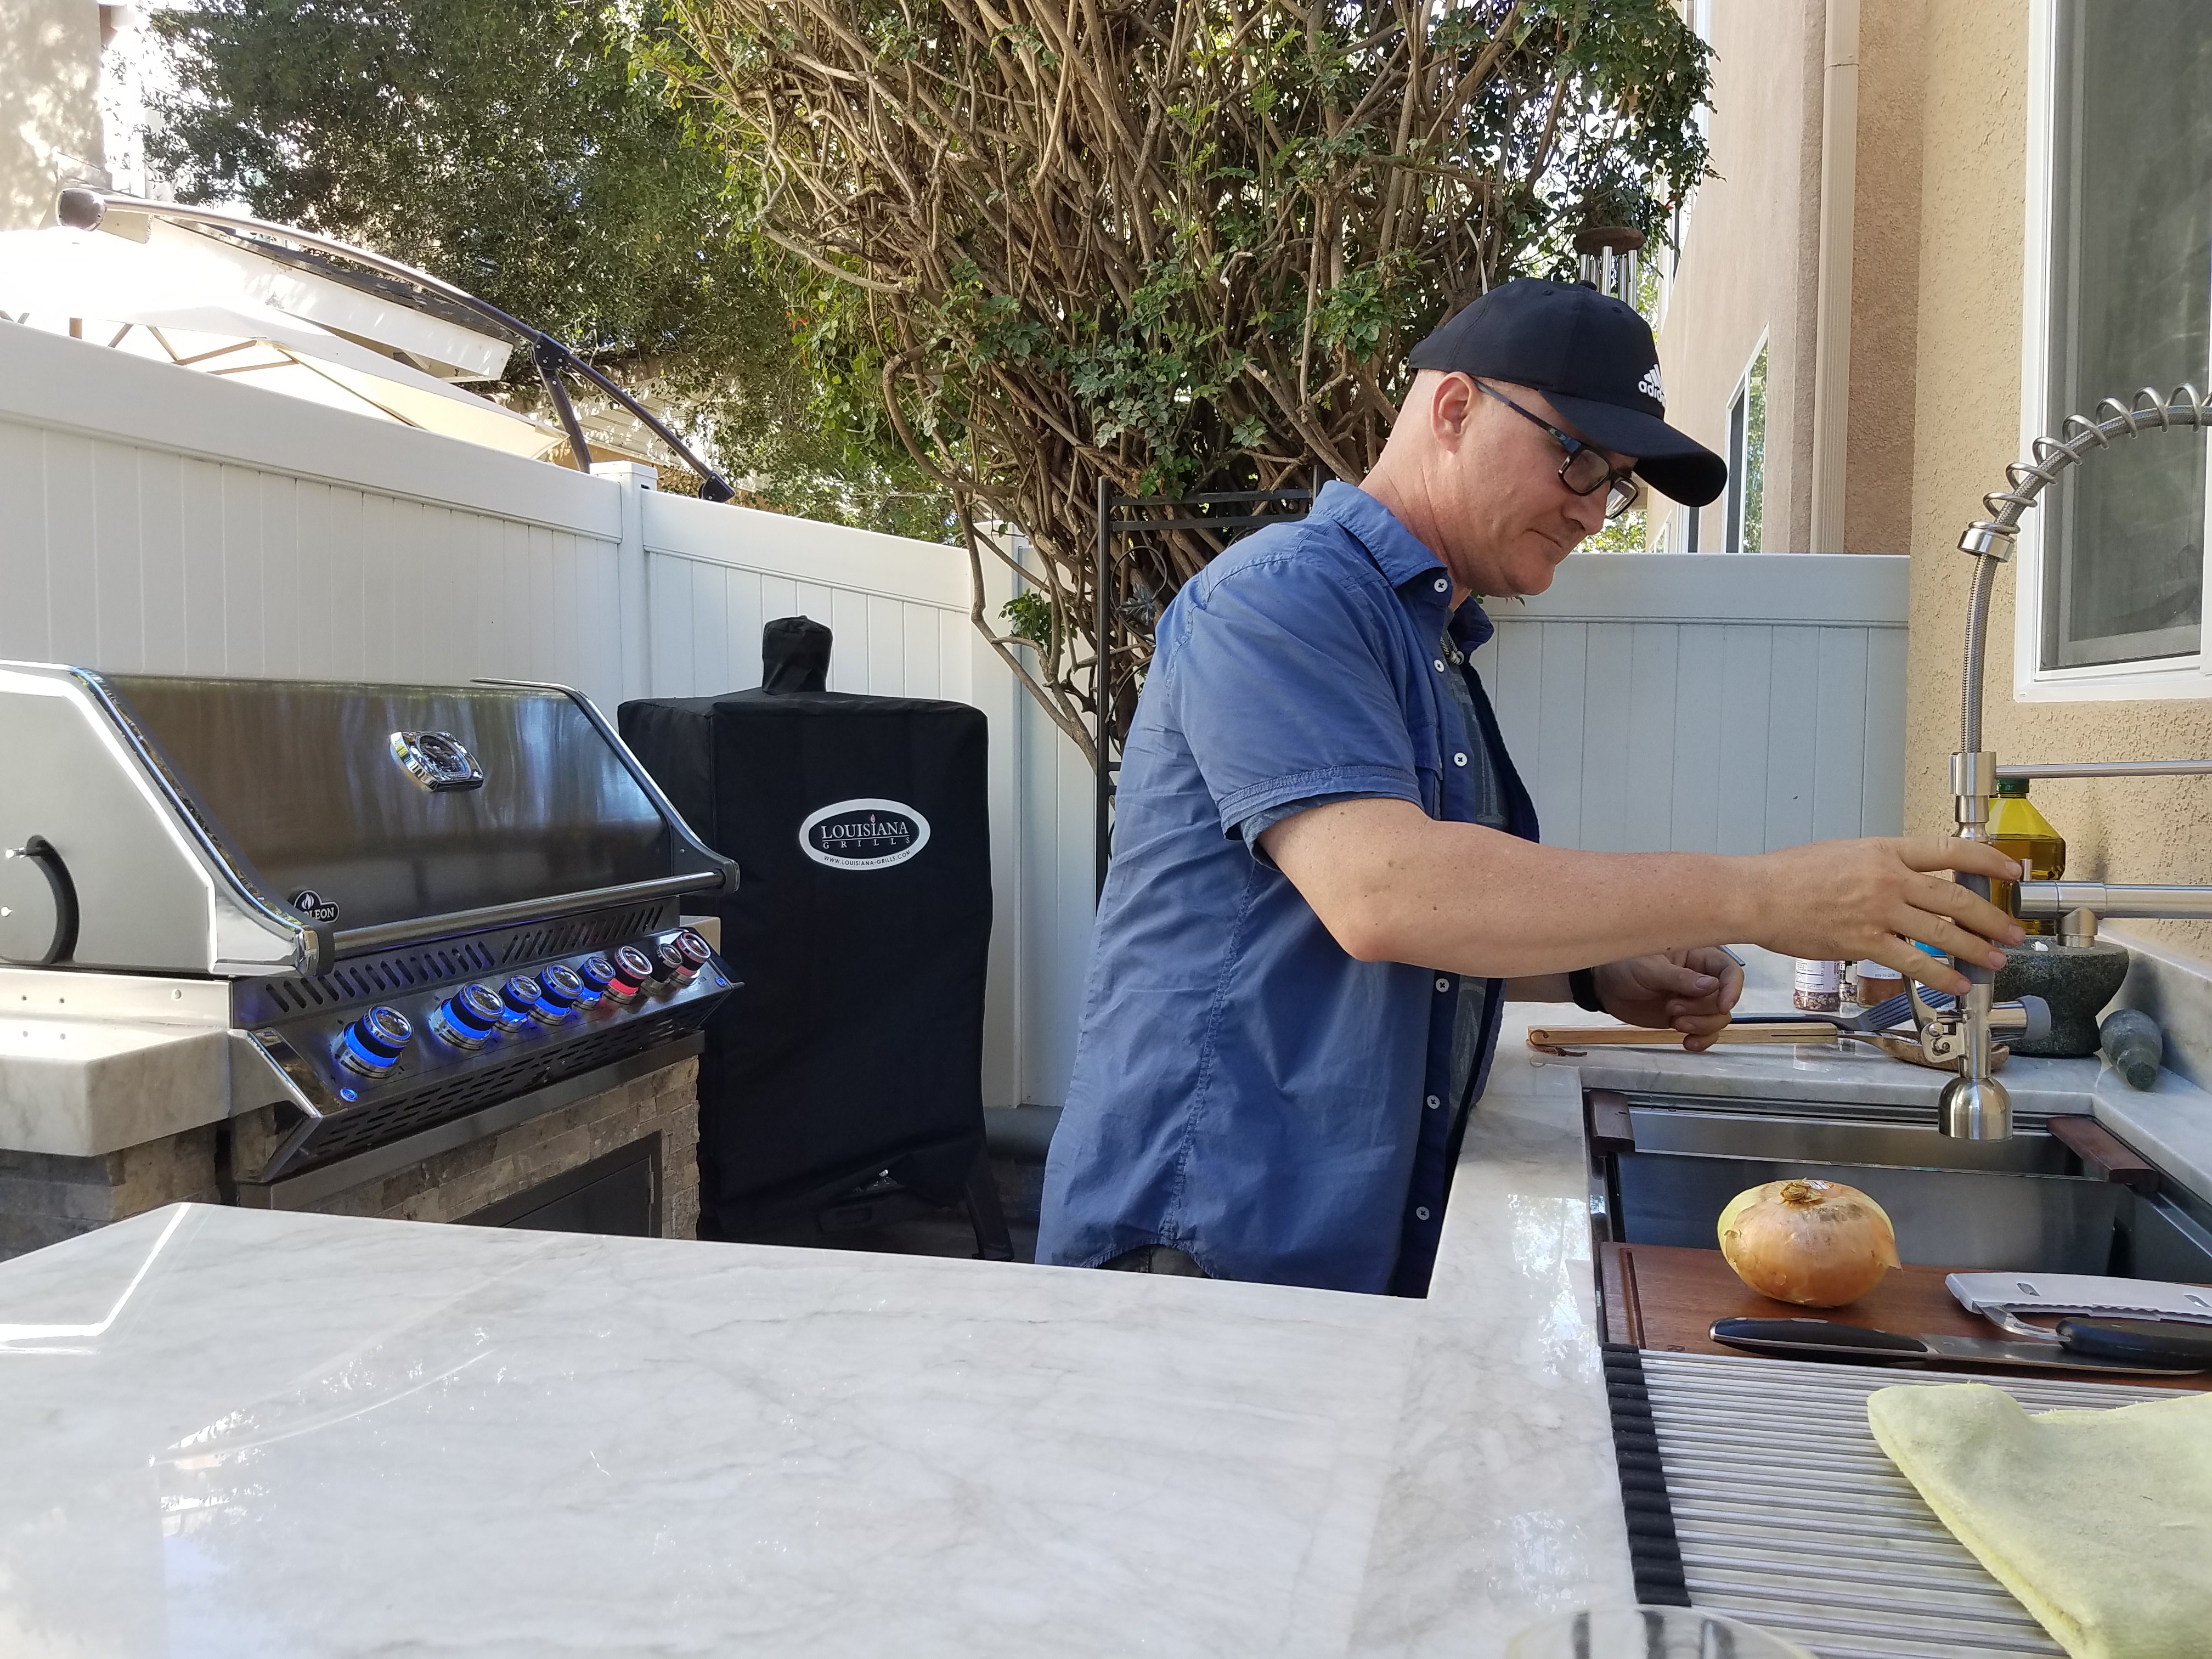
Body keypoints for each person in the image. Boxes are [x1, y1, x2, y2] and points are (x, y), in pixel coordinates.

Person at [1034, 278, 2023, 1297]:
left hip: (1313, 1251)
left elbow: (1399, 938)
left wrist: (1598, 973)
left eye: (1618, 482)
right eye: (1579, 456)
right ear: (1454, 407)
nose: (1596, 508)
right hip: (1201, 1253)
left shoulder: (1433, 645)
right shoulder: (1281, 597)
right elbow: (1385, 894)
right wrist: (1767, 894)